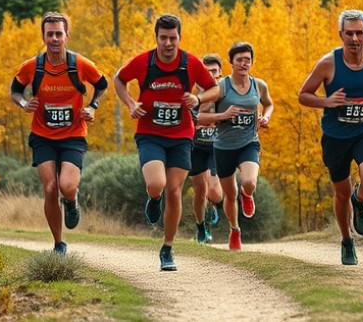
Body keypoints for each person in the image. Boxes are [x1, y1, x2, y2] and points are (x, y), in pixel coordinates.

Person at [114, 14, 219, 271]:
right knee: (157, 184)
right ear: (156, 38)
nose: (168, 43)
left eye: (173, 38)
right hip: (150, 134)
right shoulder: (144, 62)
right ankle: (153, 198)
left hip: (182, 136)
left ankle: (167, 248)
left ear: (179, 38)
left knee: (174, 191)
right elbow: (119, 79)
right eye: (164, 38)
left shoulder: (190, 63)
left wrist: (198, 98)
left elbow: (215, 88)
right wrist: (130, 103)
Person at [297, 9, 363, 265]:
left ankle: (360, 199)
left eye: (359, 33)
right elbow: (303, 95)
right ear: (340, 34)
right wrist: (327, 101)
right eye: (349, 33)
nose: (354, 38)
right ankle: (346, 240)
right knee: (340, 194)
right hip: (335, 137)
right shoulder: (328, 63)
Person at [10, 12, 108, 255]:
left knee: (66, 186)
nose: (54, 39)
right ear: (43, 36)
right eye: (50, 34)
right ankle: (58, 243)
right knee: (50, 188)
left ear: (66, 36)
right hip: (42, 136)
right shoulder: (32, 67)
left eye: (58, 34)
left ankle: (72, 202)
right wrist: (24, 104)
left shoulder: (80, 64)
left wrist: (92, 107)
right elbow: (15, 91)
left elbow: (102, 85)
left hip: (73, 135)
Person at [197, 42, 273, 251]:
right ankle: (235, 229)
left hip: (249, 143)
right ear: (231, 63)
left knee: (249, 182)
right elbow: (198, 116)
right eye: (239, 59)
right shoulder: (220, 88)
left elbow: (269, 103)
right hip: (223, 147)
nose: (243, 63)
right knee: (229, 195)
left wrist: (265, 117)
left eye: (247, 59)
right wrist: (222, 116)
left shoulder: (259, 85)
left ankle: (247, 195)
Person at [190, 54, 225, 244]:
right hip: (195, 146)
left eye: (215, 71)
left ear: (220, 73)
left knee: (213, 191)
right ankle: (200, 226)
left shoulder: (225, 93)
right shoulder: (192, 95)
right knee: (199, 191)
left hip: (216, 146)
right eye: (207, 71)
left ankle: (214, 205)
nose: (211, 75)